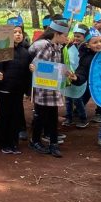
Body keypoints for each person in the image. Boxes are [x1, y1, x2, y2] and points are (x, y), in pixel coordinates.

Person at [28, 20, 70, 158]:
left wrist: (64, 72)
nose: (67, 38)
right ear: (57, 34)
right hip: (42, 87)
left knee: (52, 115)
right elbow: (37, 65)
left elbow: (57, 66)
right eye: (65, 35)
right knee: (40, 115)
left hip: (53, 87)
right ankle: (35, 141)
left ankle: (53, 143)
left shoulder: (57, 46)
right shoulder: (44, 46)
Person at [0, 19, 30, 154]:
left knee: (16, 116)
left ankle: (13, 143)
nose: (18, 34)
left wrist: (28, 89)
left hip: (18, 90)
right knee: (5, 115)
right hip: (4, 88)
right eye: (14, 32)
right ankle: (2, 143)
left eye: (20, 32)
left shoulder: (25, 52)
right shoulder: (2, 47)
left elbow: (27, 73)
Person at [63, 24, 89, 128]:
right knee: (68, 98)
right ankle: (69, 117)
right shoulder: (70, 46)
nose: (76, 38)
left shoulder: (87, 48)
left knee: (78, 98)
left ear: (85, 37)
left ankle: (83, 118)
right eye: (75, 35)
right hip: (69, 75)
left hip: (79, 76)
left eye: (79, 36)